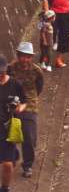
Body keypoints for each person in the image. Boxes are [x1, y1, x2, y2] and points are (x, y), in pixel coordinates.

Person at [7, 43, 44, 178]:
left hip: (29, 104)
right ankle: (9, 160)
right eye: (22, 56)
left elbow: (39, 87)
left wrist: (30, 100)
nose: (25, 59)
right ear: (18, 56)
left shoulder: (36, 71)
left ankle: (27, 165)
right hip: (12, 104)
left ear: (31, 57)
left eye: (28, 57)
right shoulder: (10, 68)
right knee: (8, 135)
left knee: (29, 137)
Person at [0, 54, 28, 192]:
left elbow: (24, 102)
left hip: (6, 129)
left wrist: (17, 109)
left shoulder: (15, 84)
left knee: (7, 165)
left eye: (2, 72)